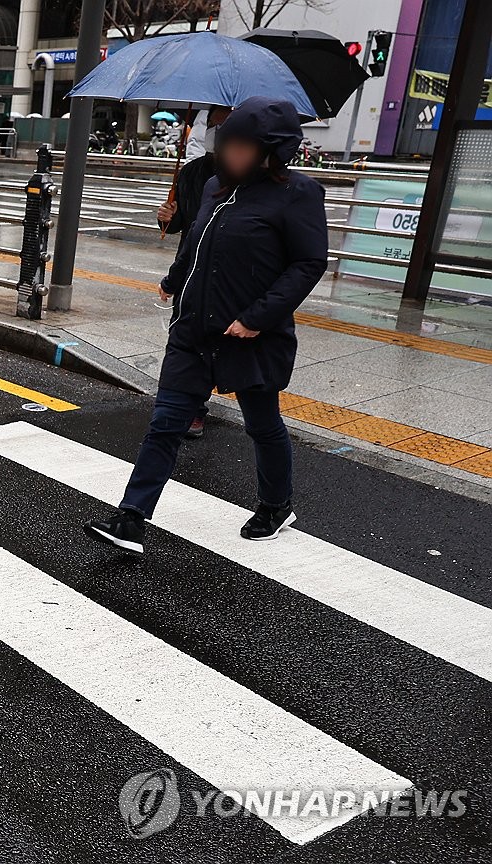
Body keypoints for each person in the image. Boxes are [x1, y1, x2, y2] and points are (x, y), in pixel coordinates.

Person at [86, 97, 328, 554]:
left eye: (242, 147)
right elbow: (195, 246)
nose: (229, 154)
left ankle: (276, 505)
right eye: (226, 143)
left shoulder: (297, 194)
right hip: (194, 329)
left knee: (262, 424)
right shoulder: (216, 186)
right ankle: (131, 519)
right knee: (166, 424)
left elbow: (308, 263)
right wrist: (172, 282)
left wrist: (257, 318)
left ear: (272, 150)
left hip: (248, 335)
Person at [156, 105, 232, 439]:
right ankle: (190, 406)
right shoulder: (191, 173)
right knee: (186, 335)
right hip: (191, 269)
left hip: (232, 272)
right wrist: (167, 216)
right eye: (215, 121)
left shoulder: (254, 177)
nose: (219, 126)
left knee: (220, 341)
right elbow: (183, 226)